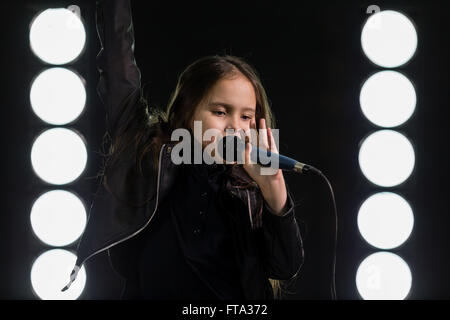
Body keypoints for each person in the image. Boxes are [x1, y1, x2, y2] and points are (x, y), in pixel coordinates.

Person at [63, 0, 304, 300]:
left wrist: (274, 189)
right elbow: (118, 64)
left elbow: (285, 266)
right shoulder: (149, 154)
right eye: (220, 111)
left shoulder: (250, 187)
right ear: (188, 113)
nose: (235, 127)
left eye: (245, 116)